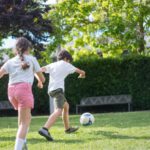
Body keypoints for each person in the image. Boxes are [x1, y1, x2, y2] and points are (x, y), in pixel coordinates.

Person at [0, 37, 45, 150]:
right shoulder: (32, 59)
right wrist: (40, 80)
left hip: (11, 91)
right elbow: (43, 79)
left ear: (16, 49)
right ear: (28, 48)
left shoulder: (10, 61)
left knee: (25, 118)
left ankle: (23, 144)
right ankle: (18, 148)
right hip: (23, 90)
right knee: (24, 123)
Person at [38, 50, 86, 141]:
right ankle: (44, 129)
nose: (69, 62)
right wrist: (82, 75)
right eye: (69, 60)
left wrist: (40, 80)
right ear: (66, 58)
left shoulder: (52, 64)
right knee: (58, 111)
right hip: (58, 90)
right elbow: (82, 72)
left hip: (51, 90)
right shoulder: (66, 64)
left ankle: (67, 129)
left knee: (66, 106)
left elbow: (39, 70)